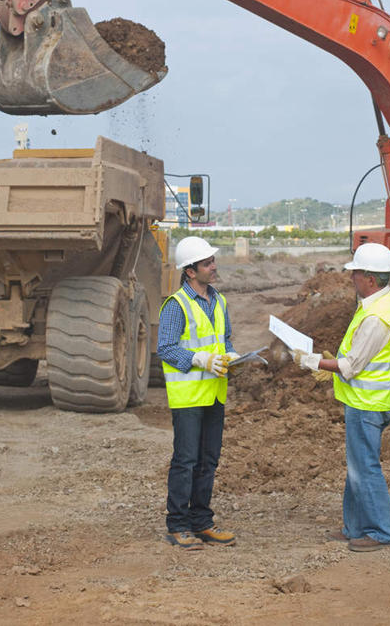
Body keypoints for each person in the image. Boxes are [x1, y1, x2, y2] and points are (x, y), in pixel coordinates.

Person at [291, 242, 390, 552]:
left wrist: (312, 361)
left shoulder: (376, 317)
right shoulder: (383, 303)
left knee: (365, 467)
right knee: (358, 465)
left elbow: (351, 367)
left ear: (369, 278)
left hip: (368, 404)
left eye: (355, 274)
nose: (351, 278)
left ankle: (384, 532)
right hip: (367, 401)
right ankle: (354, 527)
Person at [158, 236, 239, 551]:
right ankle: (178, 525)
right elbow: (165, 347)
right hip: (190, 397)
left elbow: (225, 341)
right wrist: (198, 359)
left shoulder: (218, 301)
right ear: (190, 271)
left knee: (208, 460)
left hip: (215, 393)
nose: (213, 267)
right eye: (207, 263)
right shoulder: (177, 305)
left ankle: (202, 522)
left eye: (212, 261)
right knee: (186, 461)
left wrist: (232, 357)